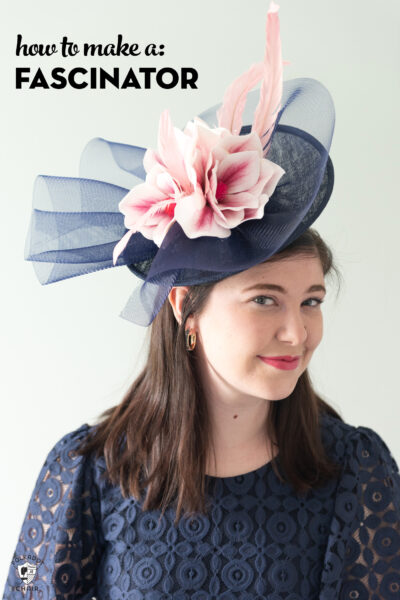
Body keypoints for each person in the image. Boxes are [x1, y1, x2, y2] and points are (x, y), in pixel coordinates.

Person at [3, 2, 400, 599]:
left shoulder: (355, 472)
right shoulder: (85, 472)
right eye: (266, 301)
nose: (298, 333)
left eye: (311, 301)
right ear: (185, 305)